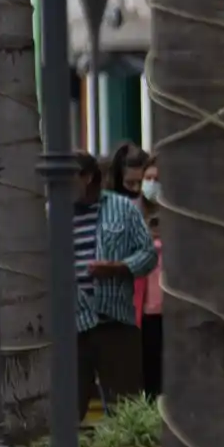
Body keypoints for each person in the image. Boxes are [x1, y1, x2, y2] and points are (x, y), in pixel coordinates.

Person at [73, 151, 158, 422]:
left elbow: (148, 255)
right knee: (65, 411)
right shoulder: (50, 213)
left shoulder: (122, 208)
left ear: (87, 178)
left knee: (126, 409)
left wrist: (119, 268)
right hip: (70, 327)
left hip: (115, 323)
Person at [134, 155, 163, 399]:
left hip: (173, 310)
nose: (152, 184)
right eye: (149, 178)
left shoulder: (181, 216)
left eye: (158, 179)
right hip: (143, 311)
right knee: (149, 380)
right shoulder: (132, 213)